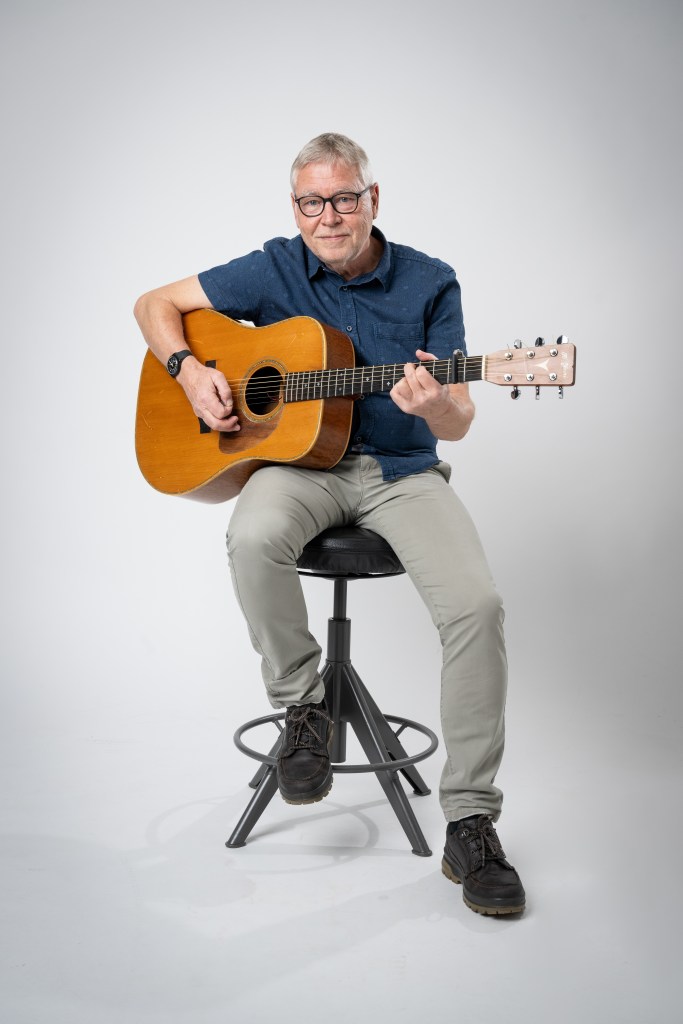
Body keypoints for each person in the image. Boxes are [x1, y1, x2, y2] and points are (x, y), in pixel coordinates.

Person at [134, 133, 525, 916]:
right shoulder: (272, 267)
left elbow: (458, 422)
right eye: (312, 202)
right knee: (251, 536)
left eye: (344, 198)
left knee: (476, 606)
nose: (329, 217)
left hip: (400, 474)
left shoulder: (429, 280)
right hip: (298, 468)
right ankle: (303, 708)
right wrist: (191, 370)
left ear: (371, 199)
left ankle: (470, 821)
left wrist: (435, 406)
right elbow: (154, 305)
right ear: (295, 207)